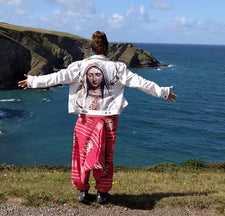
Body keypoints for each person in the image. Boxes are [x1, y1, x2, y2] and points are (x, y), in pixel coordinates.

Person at [18, 31, 177, 204]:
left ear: (91, 49)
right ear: (107, 50)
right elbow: (141, 83)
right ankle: (102, 193)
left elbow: (58, 77)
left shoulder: (79, 66)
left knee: (81, 155)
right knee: (106, 157)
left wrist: (33, 81)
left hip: (85, 119)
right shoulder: (118, 68)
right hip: (108, 121)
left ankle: (82, 191)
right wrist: (163, 92)